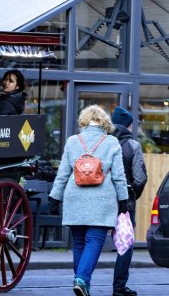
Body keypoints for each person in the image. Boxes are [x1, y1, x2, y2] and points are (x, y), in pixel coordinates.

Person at [48, 105, 129, 296]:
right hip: (101, 200)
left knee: (78, 243)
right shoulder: (111, 142)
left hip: (74, 198)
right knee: (94, 240)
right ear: (105, 123)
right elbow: (119, 176)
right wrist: (123, 200)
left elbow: (63, 174)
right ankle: (82, 280)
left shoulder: (72, 141)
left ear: (83, 121)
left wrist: (54, 197)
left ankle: (83, 284)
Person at [111, 106, 147, 296]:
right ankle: (118, 288)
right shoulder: (133, 145)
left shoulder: (103, 142)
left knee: (92, 242)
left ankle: (83, 282)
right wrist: (133, 196)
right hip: (124, 203)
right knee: (125, 244)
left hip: (101, 201)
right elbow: (140, 178)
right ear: (128, 126)